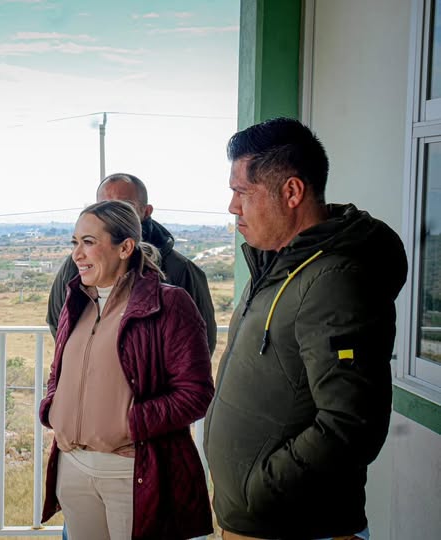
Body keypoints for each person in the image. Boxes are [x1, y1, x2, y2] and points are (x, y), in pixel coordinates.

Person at [203, 118, 408, 540]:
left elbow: (351, 422)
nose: (232, 207)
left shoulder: (333, 280)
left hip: (294, 525)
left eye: (242, 192)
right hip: (259, 520)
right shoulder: (282, 265)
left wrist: (259, 489)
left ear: (292, 192)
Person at [40, 200, 214, 540]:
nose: (77, 254)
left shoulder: (169, 304)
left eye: (89, 242)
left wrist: (129, 423)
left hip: (131, 472)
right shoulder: (75, 300)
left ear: (125, 247)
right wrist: (52, 406)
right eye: (74, 242)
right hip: (72, 467)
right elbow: (59, 368)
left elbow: (196, 394)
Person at [46, 172, 217, 354]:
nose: (112, 214)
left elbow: (200, 343)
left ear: (146, 211)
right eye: (104, 205)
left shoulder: (179, 270)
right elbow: (59, 320)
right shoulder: (77, 264)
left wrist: (145, 373)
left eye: (125, 206)